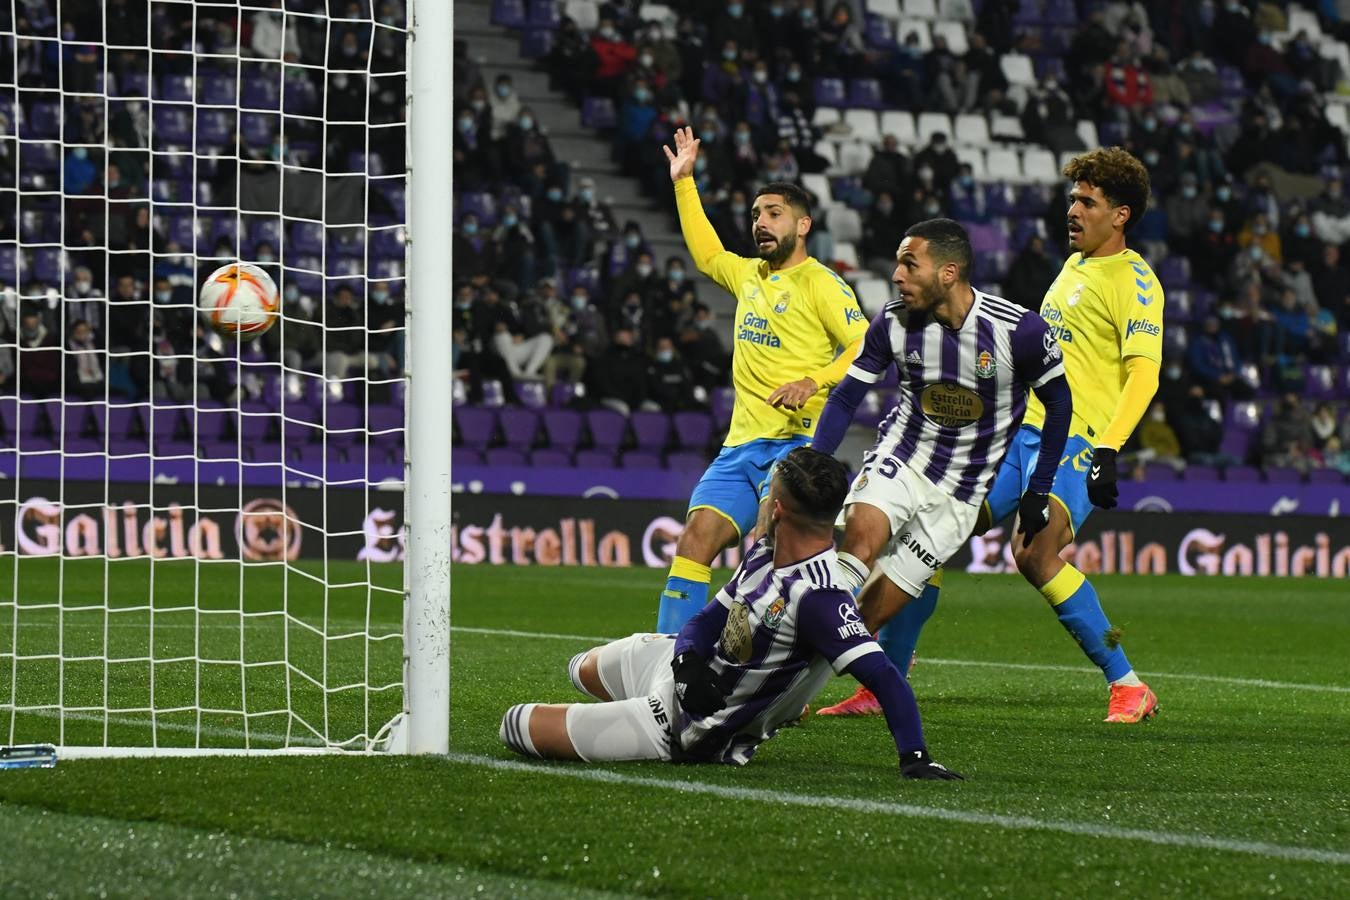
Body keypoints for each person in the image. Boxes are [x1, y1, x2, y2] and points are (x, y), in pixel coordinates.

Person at [820, 148, 1163, 725]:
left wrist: (1108, 447)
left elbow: (1144, 373)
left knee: (1033, 553)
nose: (1072, 210)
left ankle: (1128, 684)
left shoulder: (1136, 282)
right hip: (1013, 437)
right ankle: (885, 682)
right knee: (930, 537)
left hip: (1076, 441)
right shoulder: (1075, 269)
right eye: (1073, 198)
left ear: (1121, 215)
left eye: (1087, 201)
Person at [499, 447, 962, 780]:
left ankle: (634, 726)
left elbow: (885, 677)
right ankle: (633, 709)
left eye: (767, 492)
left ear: (777, 508)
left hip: (684, 726)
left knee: (515, 724)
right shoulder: (765, 549)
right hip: (676, 672)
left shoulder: (820, 597)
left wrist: (915, 757)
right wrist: (686, 662)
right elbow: (706, 620)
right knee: (579, 668)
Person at [806, 218, 1070, 713]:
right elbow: (846, 398)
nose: (897, 276)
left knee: (865, 616)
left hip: (961, 495)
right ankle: (773, 671)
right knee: (860, 542)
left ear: (949, 272)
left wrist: (1038, 490)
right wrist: (815, 461)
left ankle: (791, 688)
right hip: (902, 459)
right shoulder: (893, 321)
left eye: (910, 263)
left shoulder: (1020, 331)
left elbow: (1060, 405)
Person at [654, 127, 868, 634]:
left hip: (794, 447)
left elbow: (864, 346)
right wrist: (684, 182)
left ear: (803, 223)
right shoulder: (749, 275)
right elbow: (707, 254)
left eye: (773, 214)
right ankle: (668, 663)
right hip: (739, 448)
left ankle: (798, 669)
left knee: (781, 565)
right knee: (694, 543)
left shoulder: (821, 282)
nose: (761, 224)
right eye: (756, 215)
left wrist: (813, 381)